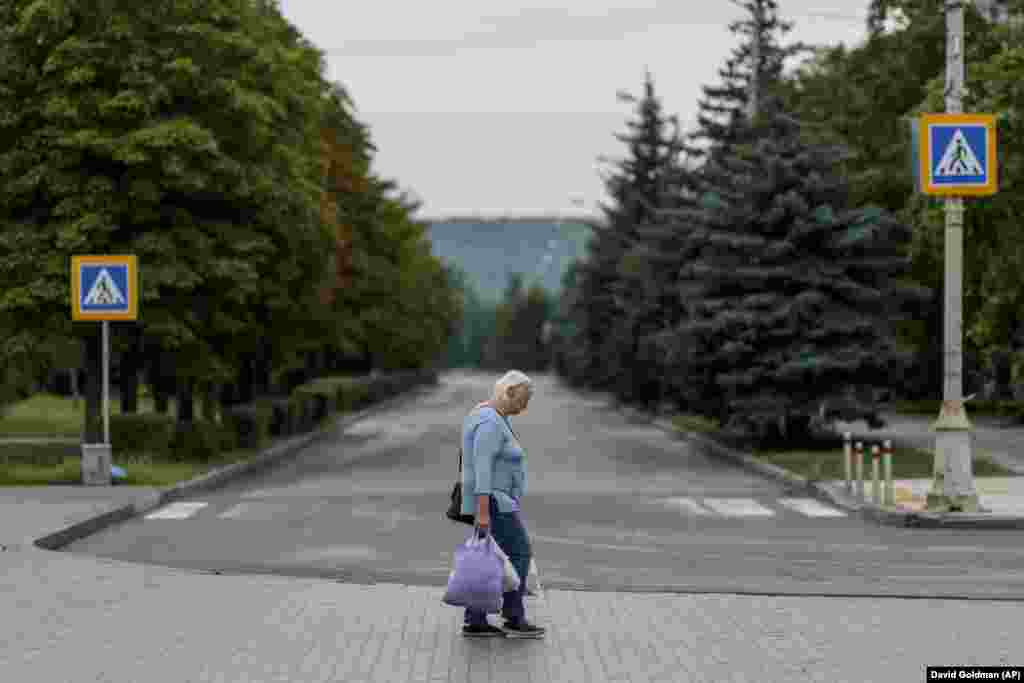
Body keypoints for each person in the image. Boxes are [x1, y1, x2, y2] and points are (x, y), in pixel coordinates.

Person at [459, 370, 545, 639]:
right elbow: (482, 469)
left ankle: (476, 619)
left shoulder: (493, 416)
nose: (526, 405)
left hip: (495, 501)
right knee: (519, 553)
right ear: (508, 393)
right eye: (524, 398)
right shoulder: (489, 422)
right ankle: (512, 615)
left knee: (487, 558)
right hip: (494, 502)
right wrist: (483, 512)